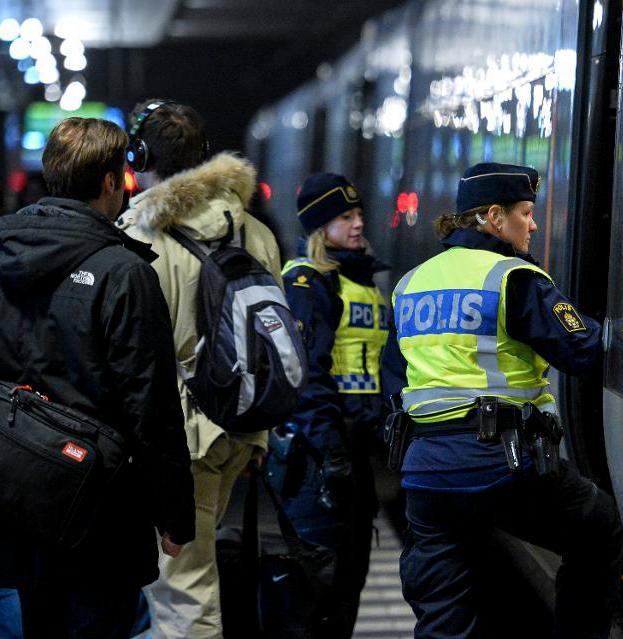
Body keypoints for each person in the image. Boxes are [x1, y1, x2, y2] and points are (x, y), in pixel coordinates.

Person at [388, 162, 623, 638]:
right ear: (495, 217)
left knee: (444, 610)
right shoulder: (513, 277)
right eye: (525, 212)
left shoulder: (411, 282)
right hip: (502, 465)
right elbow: (582, 351)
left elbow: (392, 377)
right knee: (599, 528)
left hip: (426, 469)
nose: (533, 225)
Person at [0, 117, 194, 637]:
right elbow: (150, 406)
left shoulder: (4, 251)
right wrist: (174, 515)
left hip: (15, 493)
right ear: (112, 182)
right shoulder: (123, 272)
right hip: (100, 508)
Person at [117, 100, 283, 638]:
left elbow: (138, 352)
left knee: (182, 587)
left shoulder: (141, 237)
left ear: (138, 157)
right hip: (238, 421)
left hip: (181, 436)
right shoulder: (255, 232)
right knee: (191, 568)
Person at [277, 173, 387, 636]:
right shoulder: (307, 282)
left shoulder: (362, 283)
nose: (359, 224)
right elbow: (306, 373)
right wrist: (330, 449)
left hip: (354, 453)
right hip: (319, 458)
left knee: (346, 586)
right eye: (346, 217)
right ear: (321, 227)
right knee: (317, 594)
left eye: (359, 214)